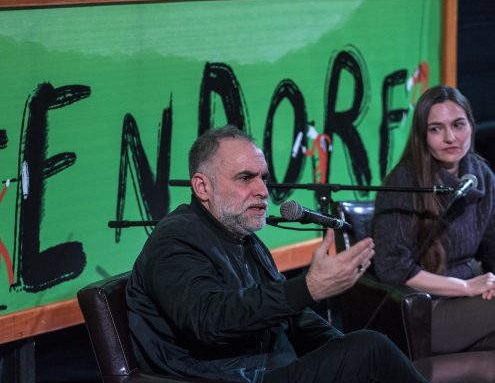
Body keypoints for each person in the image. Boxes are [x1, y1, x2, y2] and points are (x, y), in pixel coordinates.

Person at [126, 125, 427, 383]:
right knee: (371, 349)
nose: (263, 190)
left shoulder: (244, 238)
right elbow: (208, 320)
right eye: (245, 178)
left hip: (270, 371)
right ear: (202, 187)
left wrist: (340, 350)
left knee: (363, 352)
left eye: (263, 178)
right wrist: (308, 288)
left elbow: (292, 319)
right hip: (225, 378)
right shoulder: (174, 239)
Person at [372, 85, 495, 354]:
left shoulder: (481, 174)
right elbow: (391, 266)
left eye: (458, 125)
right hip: (425, 311)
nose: (450, 137)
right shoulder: (405, 181)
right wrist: (465, 287)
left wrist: (490, 285)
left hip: (474, 301)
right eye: (436, 129)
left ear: (472, 126)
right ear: (422, 136)